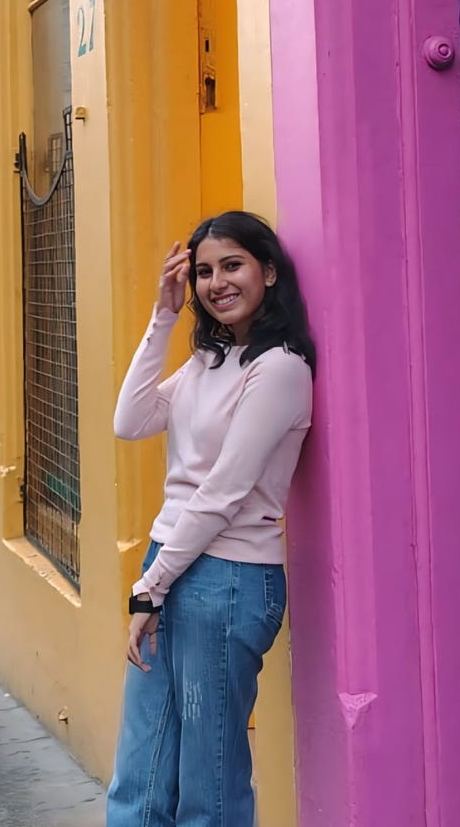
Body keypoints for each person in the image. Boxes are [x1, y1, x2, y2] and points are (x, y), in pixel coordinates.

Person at [105, 211, 315, 827]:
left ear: (268, 272)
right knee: (139, 775)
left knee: (208, 787)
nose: (217, 282)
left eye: (232, 265)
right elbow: (130, 420)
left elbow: (224, 491)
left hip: (227, 579)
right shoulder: (211, 360)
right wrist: (163, 315)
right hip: (172, 565)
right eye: (203, 272)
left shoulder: (279, 369)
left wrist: (152, 586)